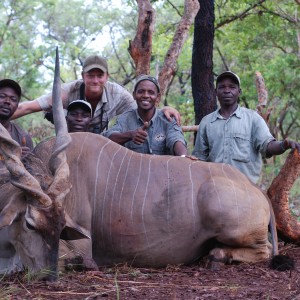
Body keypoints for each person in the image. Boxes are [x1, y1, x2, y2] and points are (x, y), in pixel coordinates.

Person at [12, 55, 181, 134]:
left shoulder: (118, 94)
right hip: (68, 144)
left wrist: (165, 108)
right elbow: (26, 107)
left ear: (107, 77)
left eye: (99, 76)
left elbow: (145, 109)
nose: (95, 80)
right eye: (90, 76)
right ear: (82, 76)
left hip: (100, 148)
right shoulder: (67, 91)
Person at [192, 71, 300, 184]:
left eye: (232, 87)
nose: (227, 90)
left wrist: (284, 144)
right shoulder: (207, 122)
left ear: (239, 92)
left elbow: (267, 145)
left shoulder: (253, 118)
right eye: (222, 87)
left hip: (246, 188)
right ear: (216, 92)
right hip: (215, 187)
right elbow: (200, 158)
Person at [103, 75, 187, 156]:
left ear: (158, 97)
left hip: (162, 169)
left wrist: (184, 157)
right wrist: (130, 135)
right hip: (133, 169)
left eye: (151, 92)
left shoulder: (167, 118)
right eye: (141, 91)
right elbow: (108, 138)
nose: (146, 95)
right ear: (134, 95)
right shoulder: (126, 118)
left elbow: (176, 139)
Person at [0, 79, 33, 158]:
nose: (7, 101)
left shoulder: (23, 137)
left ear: (17, 105)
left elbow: (31, 168)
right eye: (2, 96)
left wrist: (24, 160)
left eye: (13, 99)